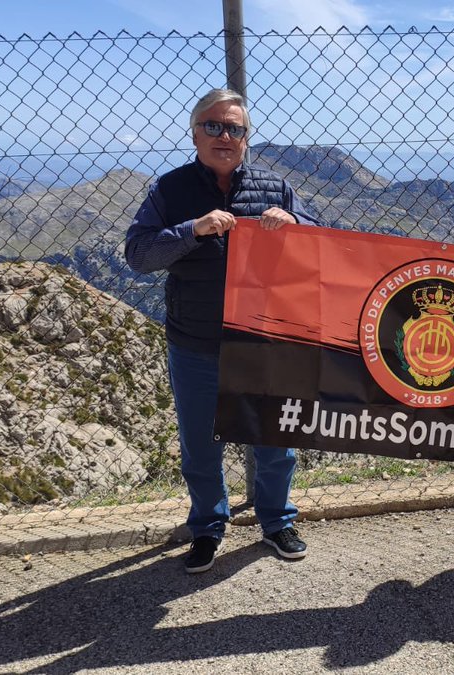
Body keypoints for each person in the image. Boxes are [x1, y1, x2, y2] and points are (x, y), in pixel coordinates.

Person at [125, 88, 319, 573]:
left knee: (273, 438)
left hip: (263, 342)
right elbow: (139, 256)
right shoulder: (170, 190)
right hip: (195, 342)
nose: (224, 136)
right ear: (194, 134)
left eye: (235, 128)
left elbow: (321, 245)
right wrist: (192, 229)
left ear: (247, 138)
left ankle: (276, 521)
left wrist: (293, 221)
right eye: (213, 126)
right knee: (200, 443)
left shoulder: (275, 189)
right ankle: (208, 528)